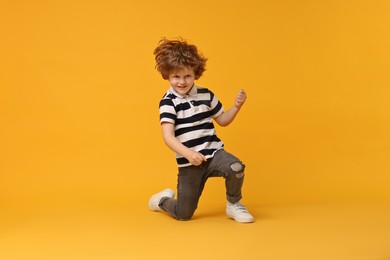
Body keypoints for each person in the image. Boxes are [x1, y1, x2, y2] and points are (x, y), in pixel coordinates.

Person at [148, 38, 254, 223]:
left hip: (214, 153)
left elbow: (223, 120)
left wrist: (237, 106)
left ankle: (234, 204)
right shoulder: (168, 102)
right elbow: (168, 137)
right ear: (167, 75)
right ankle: (162, 200)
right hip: (190, 162)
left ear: (196, 74)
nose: (182, 82)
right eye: (176, 77)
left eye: (187, 76)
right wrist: (188, 154)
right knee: (183, 214)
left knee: (236, 167)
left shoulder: (206, 94)